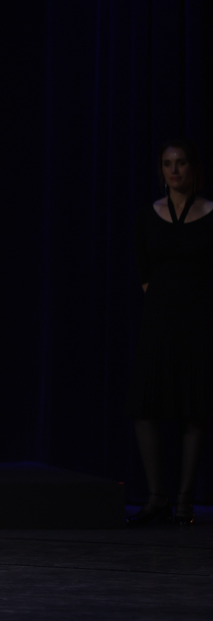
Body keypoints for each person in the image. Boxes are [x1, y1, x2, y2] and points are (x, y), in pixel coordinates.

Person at [126, 138, 210, 527]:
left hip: (199, 321)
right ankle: (157, 497)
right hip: (158, 321)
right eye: (167, 163)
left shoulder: (210, 213)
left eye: (181, 163)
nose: (174, 170)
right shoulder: (149, 214)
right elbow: (143, 269)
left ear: (194, 168)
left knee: (194, 409)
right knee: (145, 407)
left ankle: (184, 502)